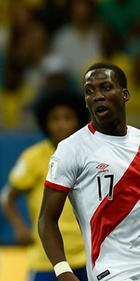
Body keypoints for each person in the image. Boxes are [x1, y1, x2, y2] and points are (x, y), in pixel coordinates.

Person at [38, 62, 140, 281]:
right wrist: (63, 270)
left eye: (106, 87)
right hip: (112, 272)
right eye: (89, 91)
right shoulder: (72, 149)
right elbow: (46, 219)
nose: (97, 96)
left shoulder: (139, 142)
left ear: (125, 94)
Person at [0, 88, 89, 281]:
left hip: (87, 257)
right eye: (55, 119)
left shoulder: (89, 157)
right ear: (46, 124)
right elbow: (7, 197)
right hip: (47, 260)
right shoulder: (33, 157)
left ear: (78, 121)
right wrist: (19, 226)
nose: (61, 125)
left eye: (67, 118)